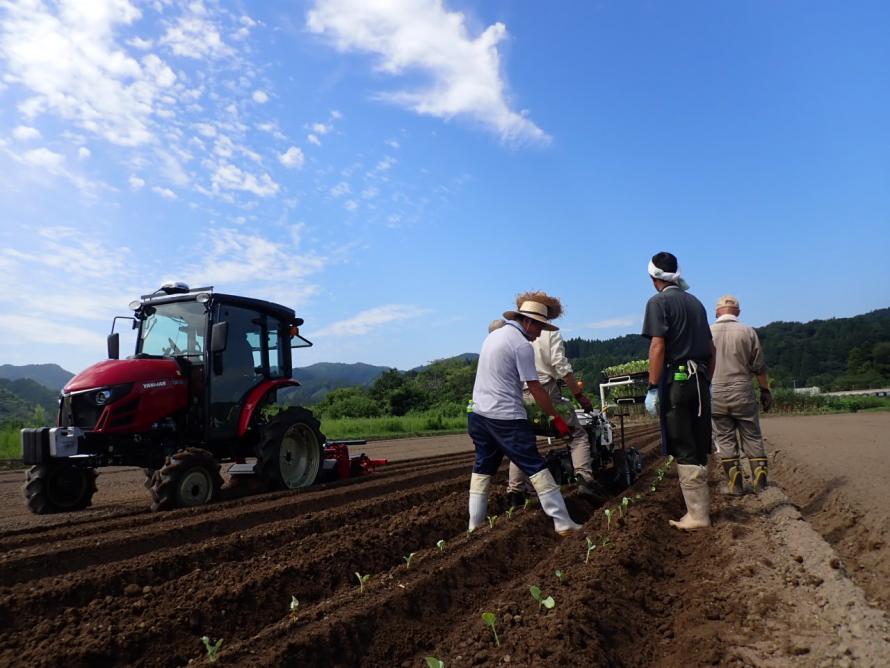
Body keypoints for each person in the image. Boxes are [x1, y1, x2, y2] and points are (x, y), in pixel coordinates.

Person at [467, 297, 582, 536]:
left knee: (482, 469)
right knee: (535, 465)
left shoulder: (493, 336)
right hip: (505, 417)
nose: (540, 334)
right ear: (528, 322)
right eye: (540, 327)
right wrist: (556, 418)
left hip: (478, 415)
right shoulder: (521, 344)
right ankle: (562, 521)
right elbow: (536, 388)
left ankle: (474, 525)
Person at [642, 252, 716, 530]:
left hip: (678, 379)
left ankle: (697, 516)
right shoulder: (695, 302)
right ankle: (699, 512)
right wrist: (707, 381)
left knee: (683, 443)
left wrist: (652, 387)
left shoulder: (658, 302)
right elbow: (712, 350)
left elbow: (658, 346)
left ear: (652, 277)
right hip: (700, 380)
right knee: (698, 443)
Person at [505, 291, 600, 508]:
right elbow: (560, 366)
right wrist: (579, 395)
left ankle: (515, 492)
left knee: (523, 442)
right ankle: (584, 478)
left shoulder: (512, 336)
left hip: (520, 398)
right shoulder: (550, 335)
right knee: (577, 434)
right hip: (546, 395)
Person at [710, 295, 772, 494]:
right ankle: (760, 483)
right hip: (742, 390)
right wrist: (765, 390)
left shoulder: (707, 333)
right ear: (738, 312)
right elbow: (759, 366)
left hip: (716, 392)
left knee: (725, 437)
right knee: (752, 436)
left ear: (716, 312)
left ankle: (735, 484)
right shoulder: (748, 332)